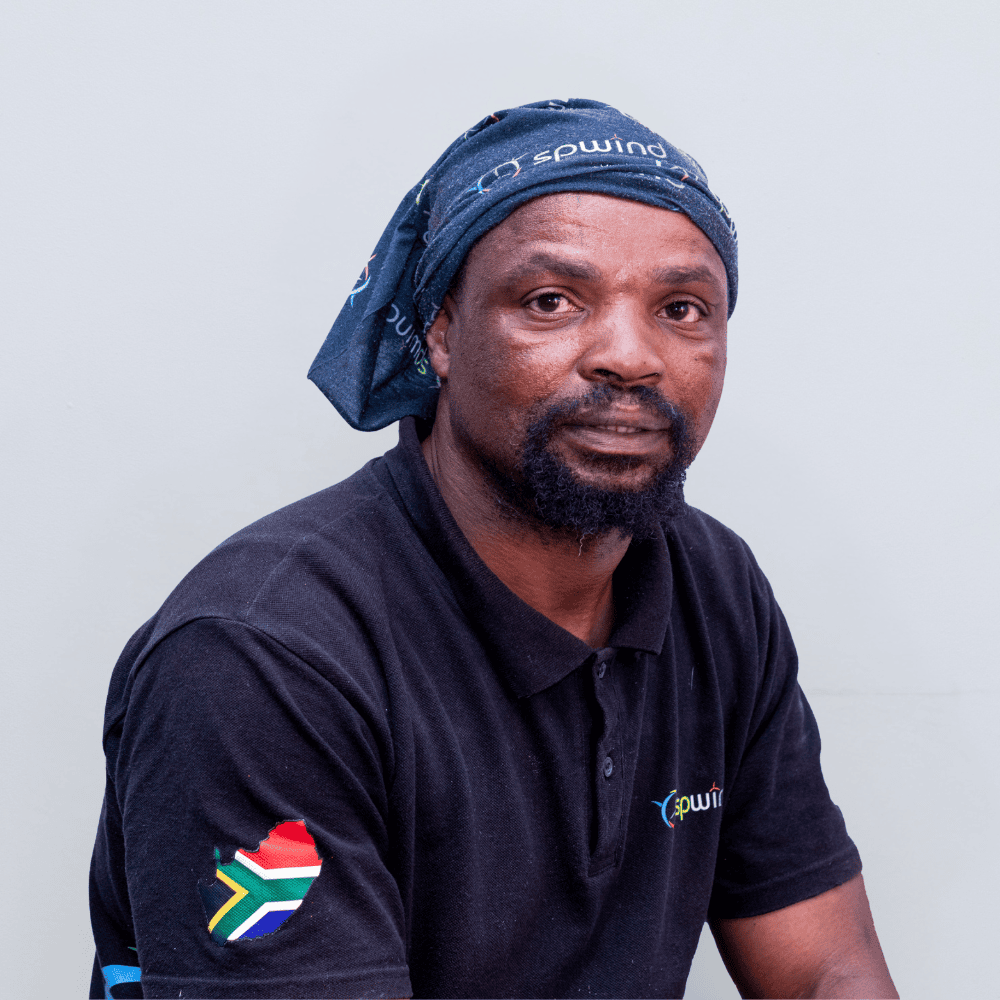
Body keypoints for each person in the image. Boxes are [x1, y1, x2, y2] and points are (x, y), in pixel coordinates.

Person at [89, 99, 897, 999]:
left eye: (682, 308)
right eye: (551, 301)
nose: (630, 356)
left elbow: (824, 969)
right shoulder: (265, 654)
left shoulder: (712, 589)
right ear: (440, 330)